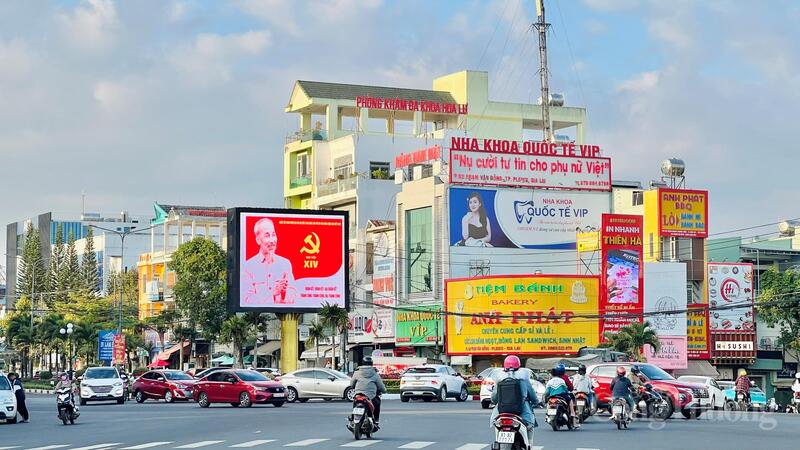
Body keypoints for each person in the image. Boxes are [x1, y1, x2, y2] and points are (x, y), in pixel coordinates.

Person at [242, 218, 296, 305]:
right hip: (259, 314)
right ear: (258, 240)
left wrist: (284, 295)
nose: (272, 240)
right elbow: (247, 299)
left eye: (273, 235)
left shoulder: (285, 264)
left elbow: (293, 295)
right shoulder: (248, 266)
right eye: (267, 236)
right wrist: (273, 294)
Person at [490, 355, 538, 442]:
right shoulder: (524, 378)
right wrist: (536, 402)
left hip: (501, 411)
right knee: (530, 426)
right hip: (522, 411)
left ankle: (498, 441)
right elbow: (533, 396)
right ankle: (529, 444)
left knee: (497, 425)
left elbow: (494, 398)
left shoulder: (500, 379)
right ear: (518, 366)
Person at [349, 356, 386, 428]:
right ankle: (376, 421)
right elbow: (381, 387)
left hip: (358, 395)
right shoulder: (375, 374)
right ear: (371, 363)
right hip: (371, 396)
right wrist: (384, 390)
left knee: (355, 402)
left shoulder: (357, 372)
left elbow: (351, 384)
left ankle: (352, 418)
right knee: (377, 403)